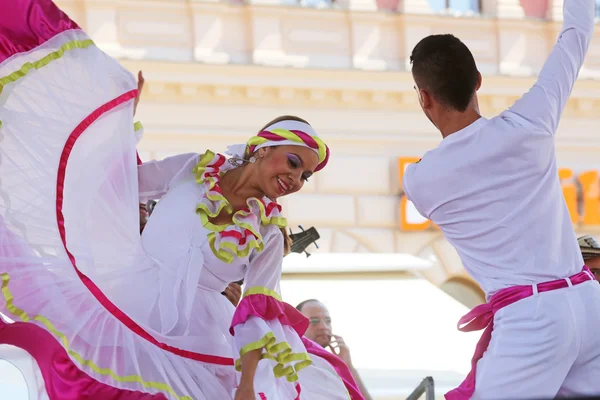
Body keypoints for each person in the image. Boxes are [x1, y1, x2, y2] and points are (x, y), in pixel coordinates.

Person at [0, 1, 361, 399]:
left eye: (305, 175)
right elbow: (119, 184)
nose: (295, 178)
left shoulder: (269, 234)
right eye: (293, 162)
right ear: (261, 149)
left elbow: (257, 309)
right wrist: (118, 127)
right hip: (131, 297)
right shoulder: (194, 168)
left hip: (201, 337)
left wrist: (244, 387)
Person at [404, 1, 600, 399]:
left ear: (425, 98)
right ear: (478, 80)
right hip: (588, 300)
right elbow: (575, 37)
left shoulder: (421, 179)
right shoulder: (531, 124)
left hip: (532, 320)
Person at [296, 299, 373, 400]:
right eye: (314, 321)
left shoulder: (334, 364)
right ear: (297, 325)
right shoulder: (294, 363)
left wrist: (347, 366)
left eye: (328, 321)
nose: (323, 327)